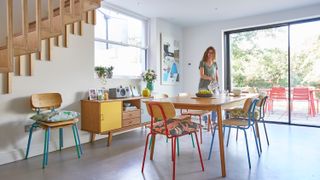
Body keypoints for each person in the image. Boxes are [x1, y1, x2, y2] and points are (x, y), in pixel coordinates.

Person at [198, 46, 219, 123]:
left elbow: (216, 75)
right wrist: (209, 78)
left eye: (212, 52)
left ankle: (213, 121)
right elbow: (202, 75)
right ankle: (206, 122)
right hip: (203, 86)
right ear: (206, 53)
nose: (210, 54)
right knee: (204, 104)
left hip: (213, 86)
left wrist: (217, 84)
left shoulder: (215, 63)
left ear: (214, 54)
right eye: (208, 52)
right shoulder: (202, 62)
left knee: (215, 103)